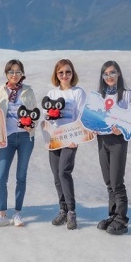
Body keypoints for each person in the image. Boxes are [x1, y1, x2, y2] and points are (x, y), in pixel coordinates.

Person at [0, 59, 37, 228]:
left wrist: (31, 125)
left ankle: (17, 213)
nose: (14, 75)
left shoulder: (28, 91)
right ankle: (2, 214)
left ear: (22, 73)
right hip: (6, 138)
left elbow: (35, 114)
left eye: (17, 72)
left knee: (21, 176)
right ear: (6, 74)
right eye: (11, 72)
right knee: (1, 177)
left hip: (25, 137)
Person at [95, 60, 131, 235]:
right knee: (108, 181)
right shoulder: (100, 96)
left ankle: (122, 218)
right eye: (105, 74)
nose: (109, 77)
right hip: (102, 140)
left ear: (118, 73)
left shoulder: (128, 95)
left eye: (112, 73)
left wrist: (121, 128)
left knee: (117, 181)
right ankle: (112, 215)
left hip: (118, 141)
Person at [47, 59, 86, 230]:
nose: (64, 75)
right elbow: (46, 116)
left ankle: (71, 211)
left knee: (64, 172)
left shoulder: (78, 93)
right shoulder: (52, 93)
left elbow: (82, 117)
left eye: (68, 72)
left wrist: (75, 139)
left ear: (73, 73)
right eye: (61, 72)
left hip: (70, 139)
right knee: (56, 176)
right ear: (56, 74)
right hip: (54, 139)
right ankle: (62, 209)